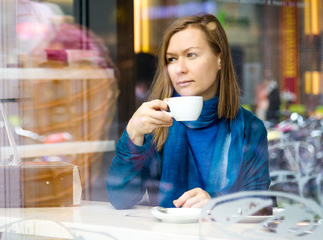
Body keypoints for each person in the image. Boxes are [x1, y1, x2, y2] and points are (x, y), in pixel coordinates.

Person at [106, 14, 270, 209]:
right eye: (172, 59)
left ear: (220, 59)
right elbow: (120, 199)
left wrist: (216, 204)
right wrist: (133, 133)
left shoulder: (249, 127)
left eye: (191, 55)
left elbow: (262, 206)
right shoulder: (156, 121)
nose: (179, 69)